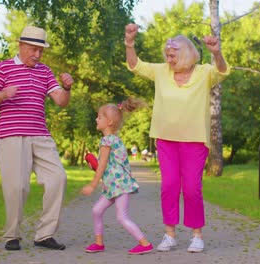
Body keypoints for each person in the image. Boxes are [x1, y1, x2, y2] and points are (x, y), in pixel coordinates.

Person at [124, 23, 230, 253]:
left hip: (194, 140)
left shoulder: (203, 73)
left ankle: (196, 235)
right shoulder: (161, 71)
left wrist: (216, 53)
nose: (169, 59)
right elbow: (135, 65)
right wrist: (129, 43)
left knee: (192, 188)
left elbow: (221, 71)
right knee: (169, 186)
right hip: (166, 139)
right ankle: (169, 234)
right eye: (168, 55)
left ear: (185, 54)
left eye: (172, 55)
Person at [0, 25, 73, 251]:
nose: (37, 55)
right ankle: (12, 235)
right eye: (33, 49)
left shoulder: (45, 71)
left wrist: (67, 88)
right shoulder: (3, 68)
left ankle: (44, 235)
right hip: (12, 135)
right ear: (21, 46)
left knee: (58, 178)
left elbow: (60, 101)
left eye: (41, 51)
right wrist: (3, 95)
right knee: (17, 187)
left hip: (40, 135)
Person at [81, 97, 153, 255]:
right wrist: (95, 165)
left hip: (119, 186)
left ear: (109, 122)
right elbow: (106, 166)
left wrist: (92, 185)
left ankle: (145, 243)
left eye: (100, 117)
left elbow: (103, 166)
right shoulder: (114, 140)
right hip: (112, 187)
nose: (96, 119)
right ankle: (99, 243)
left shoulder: (107, 141)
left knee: (122, 217)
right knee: (96, 211)